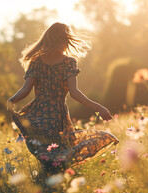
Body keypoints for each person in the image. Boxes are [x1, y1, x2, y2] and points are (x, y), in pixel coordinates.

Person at [7, 22, 119, 174]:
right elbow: (75, 93)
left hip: (37, 114)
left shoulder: (36, 62)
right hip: (56, 115)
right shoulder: (68, 62)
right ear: (64, 40)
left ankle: (47, 180)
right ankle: (54, 181)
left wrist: (11, 100)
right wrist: (99, 107)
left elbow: (25, 90)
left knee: (45, 151)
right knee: (58, 152)